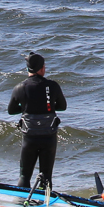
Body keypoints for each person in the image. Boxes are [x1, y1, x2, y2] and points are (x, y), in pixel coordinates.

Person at [8, 52, 67, 189]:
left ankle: (21, 205)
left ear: (28, 69)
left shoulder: (20, 88)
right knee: (46, 176)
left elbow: (11, 110)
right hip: (49, 136)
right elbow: (62, 107)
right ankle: (44, 206)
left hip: (30, 137)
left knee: (24, 175)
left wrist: (26, 109)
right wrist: (49, 107)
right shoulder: (52, 86)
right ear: (42, 68)